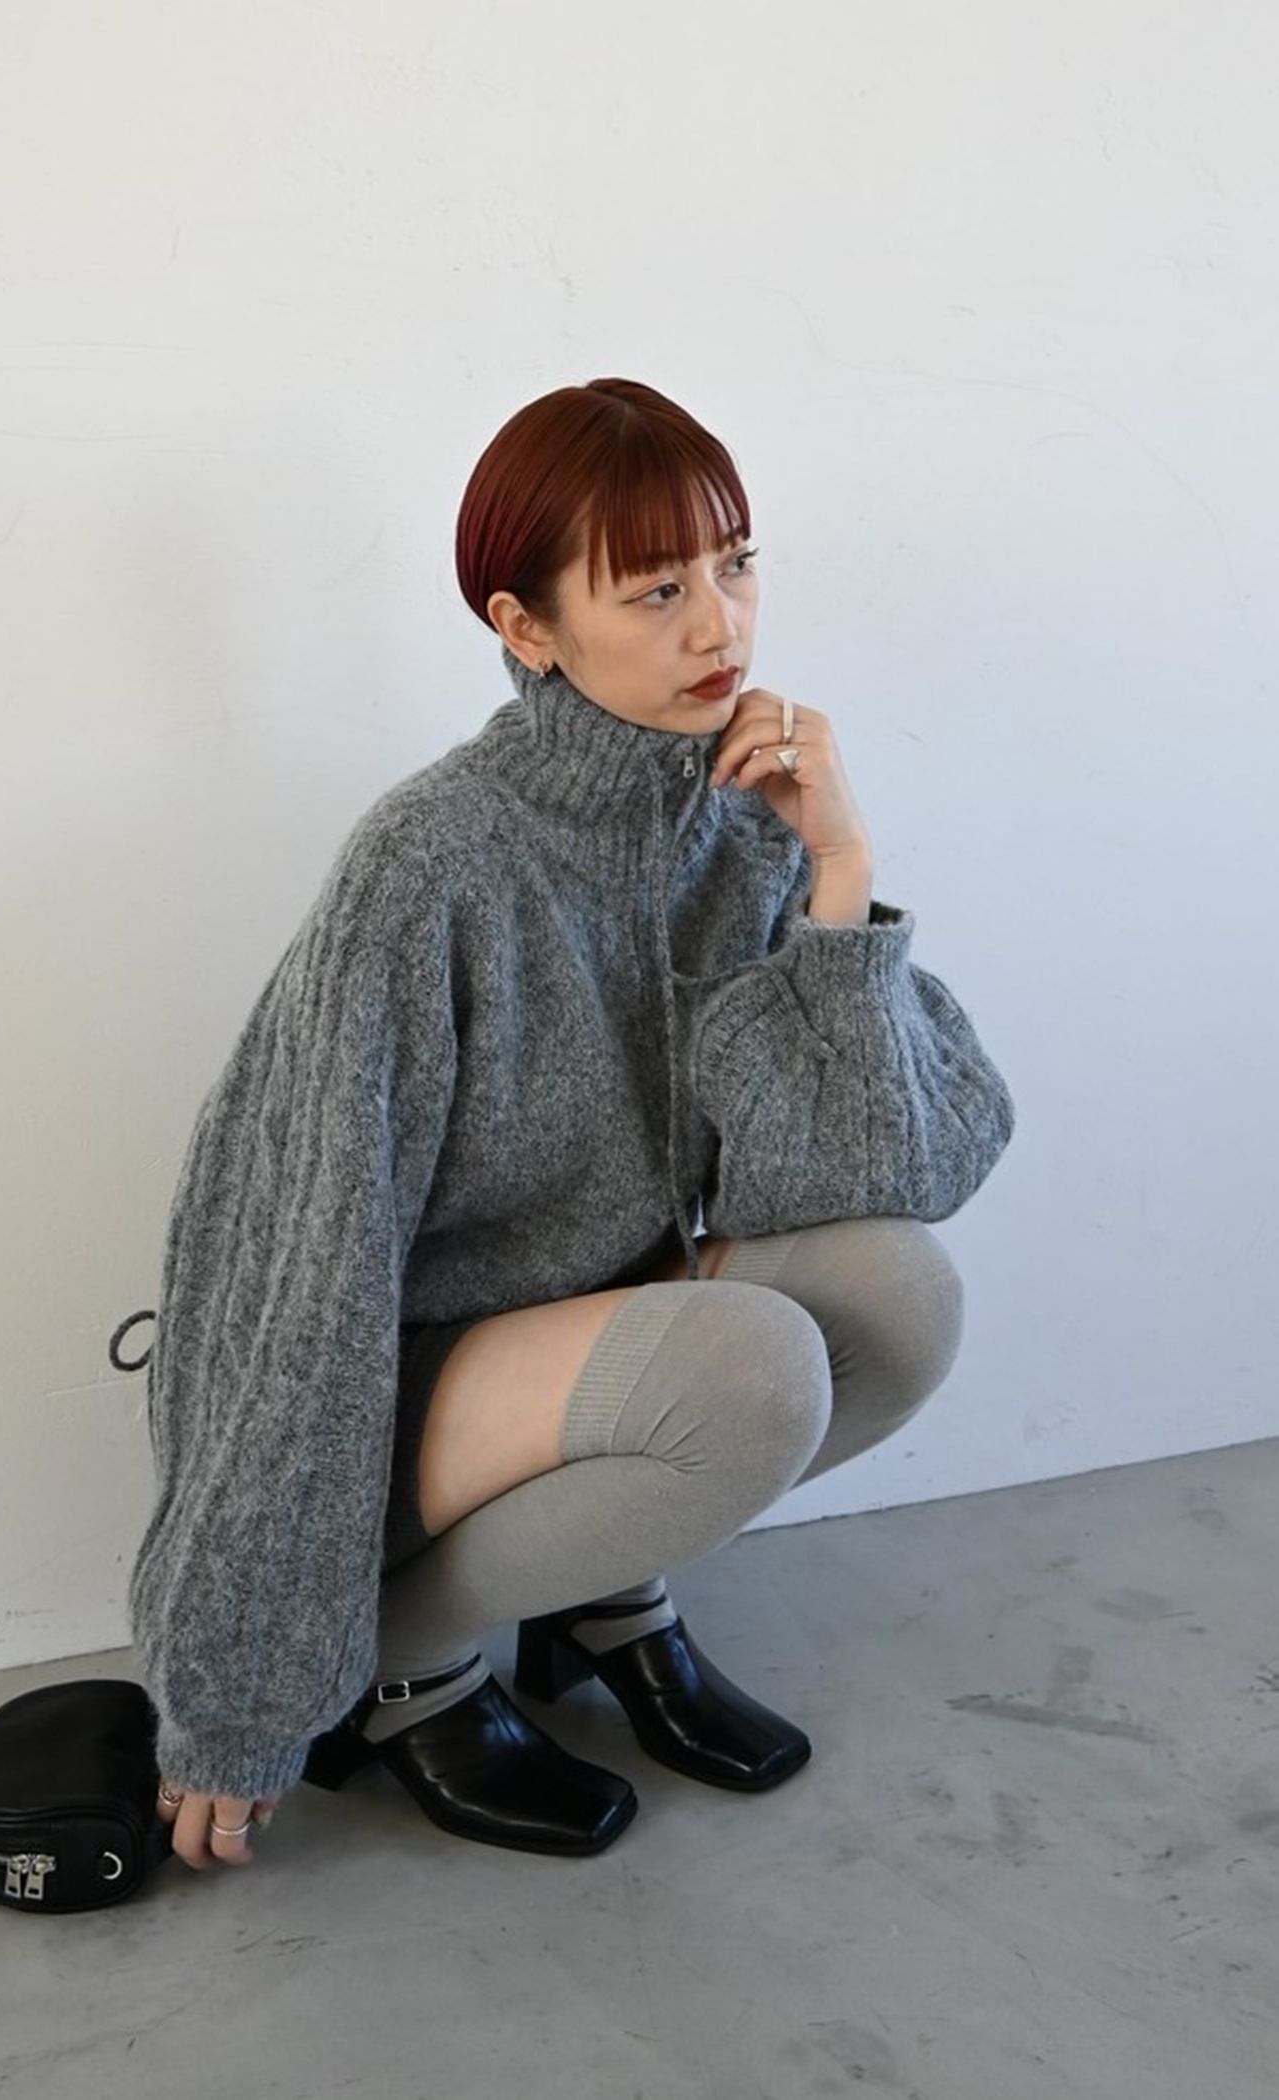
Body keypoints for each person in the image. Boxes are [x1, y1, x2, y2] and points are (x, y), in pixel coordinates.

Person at [131, 376, 1016, 1874]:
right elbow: (295, 1280)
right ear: (525, 625)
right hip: (400, 1383)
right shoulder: (432, 863)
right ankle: (399, 1673)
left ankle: (606, 1595)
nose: (720, 626)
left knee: (899, 1295)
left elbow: (876, 1172)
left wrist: (839, 875)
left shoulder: (742, 815)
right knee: (749, 1369)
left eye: (736, 564)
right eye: (657, 588)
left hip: (598, 1339)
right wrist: (238, 1688)